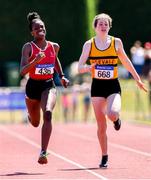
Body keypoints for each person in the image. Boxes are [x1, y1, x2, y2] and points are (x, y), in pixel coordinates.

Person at [78, 13, 147, 168]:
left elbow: (126, 61)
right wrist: (89, 67)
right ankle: (104, 156)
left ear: (109, 26)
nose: (103, 26)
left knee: (112, 113)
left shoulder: (116, 42)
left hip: (112, 85)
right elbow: (79, 67)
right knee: (101, 126)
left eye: (106, 24)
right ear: (95, 27)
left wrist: (137, 79)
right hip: (97, 87)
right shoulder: (89, 44)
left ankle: (116, 119)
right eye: (100, 24)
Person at [20, 12, 69, 165]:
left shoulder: (54, 46)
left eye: (42, 27)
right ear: (32, 32)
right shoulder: (28, 47)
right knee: (35, 122)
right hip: (32, 86)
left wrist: (61, 75)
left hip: (48, 85)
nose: (40, 29)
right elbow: (22, 71)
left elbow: (55, 60)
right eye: (37, 28)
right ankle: (31, 115)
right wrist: (35, 60)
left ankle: (43, 151)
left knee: (47, 113)